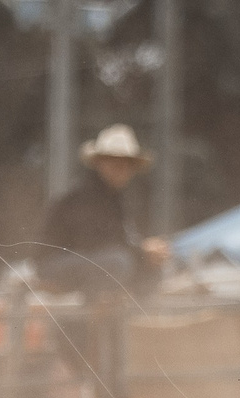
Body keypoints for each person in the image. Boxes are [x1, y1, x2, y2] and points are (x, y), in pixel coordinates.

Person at [35, 124, 169, 295]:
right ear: (99, 163)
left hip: (90, 261)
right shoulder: (83, 195)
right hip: (54, 264)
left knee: (149, 266)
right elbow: (92, 244)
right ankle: (96, 305)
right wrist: (141, 250)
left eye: (126, 163)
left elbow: (117, 240)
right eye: (114, 161)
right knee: (119, 262)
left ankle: (125, 309)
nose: (121, 169)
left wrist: (144, 253)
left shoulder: (115, 198)